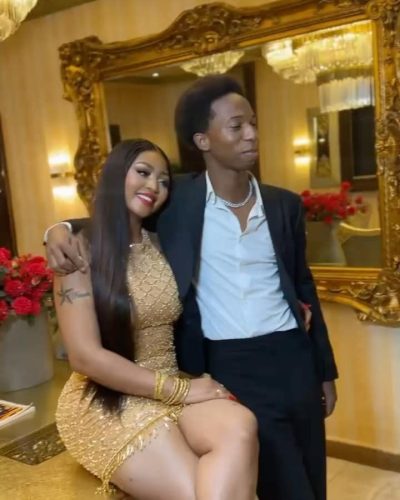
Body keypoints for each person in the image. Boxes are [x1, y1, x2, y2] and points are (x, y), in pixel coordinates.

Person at [45, 76, 338, 500]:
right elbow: (113, 216)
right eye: (236, 126)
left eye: (253, 123)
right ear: (203, 140)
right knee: (272, 478)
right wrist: (57, 229)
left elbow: (303, 284)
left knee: (307, 474)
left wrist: (324, 371)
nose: (251, 134)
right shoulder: (180, 203)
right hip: (221, 363)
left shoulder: (283, 205)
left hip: (290, 355)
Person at [53, 138, 259, 499]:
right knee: (198, 492)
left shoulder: (165, 243)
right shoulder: (79, 251)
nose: (154, 187)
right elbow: (84, 357)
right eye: (143, 172)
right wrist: (182, 390)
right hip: (107, 397)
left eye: (164, 181)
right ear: (117, 174)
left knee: (241, 425)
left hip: (168, 380)